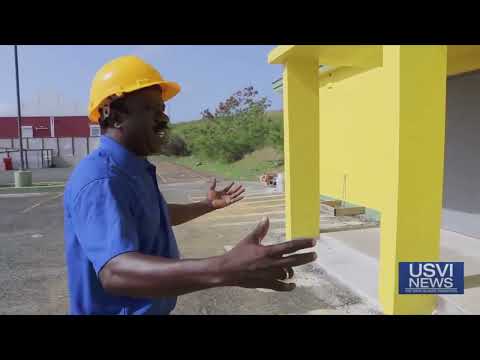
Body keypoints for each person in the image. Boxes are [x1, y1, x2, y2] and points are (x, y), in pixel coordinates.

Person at [63, 55, 317, 315]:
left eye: (163, 109)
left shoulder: (134, 168)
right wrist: (226, 268)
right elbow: (115, 272)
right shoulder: (101, 179)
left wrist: (207, 205)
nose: (164, 119)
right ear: (114, 116)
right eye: (152, 109)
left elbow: (157, 214)